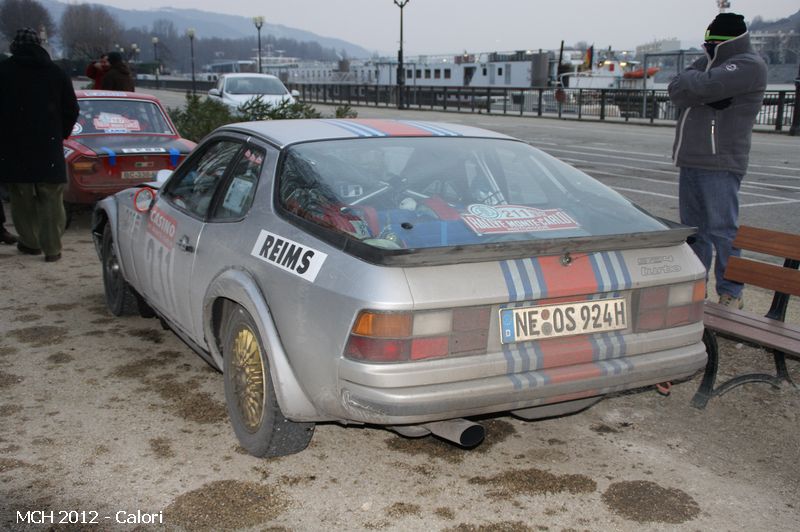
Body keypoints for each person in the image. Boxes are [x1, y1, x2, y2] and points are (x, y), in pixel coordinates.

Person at [668, 12, 767, 309]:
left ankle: (731, 292)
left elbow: (698, 86)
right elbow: (676, 88)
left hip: (721, 161)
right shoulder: (710, 62)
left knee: (723, 230)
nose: (707, 47)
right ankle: (697, 289)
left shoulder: (749, 65)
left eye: (712, 42)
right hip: (691, 158)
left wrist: (698, 87)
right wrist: (702, 87)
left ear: (726, 41)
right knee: (695, 232)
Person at [0, 27, 79, 262]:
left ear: (15, 46)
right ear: (40, 45)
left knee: (21, 197)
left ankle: (30, 242)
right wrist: (60, 132)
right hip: (48, 143)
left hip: (13, 145)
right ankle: (52, 248)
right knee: (51, 198)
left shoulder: (3, 72)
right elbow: (72, 109)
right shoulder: (55, 72)